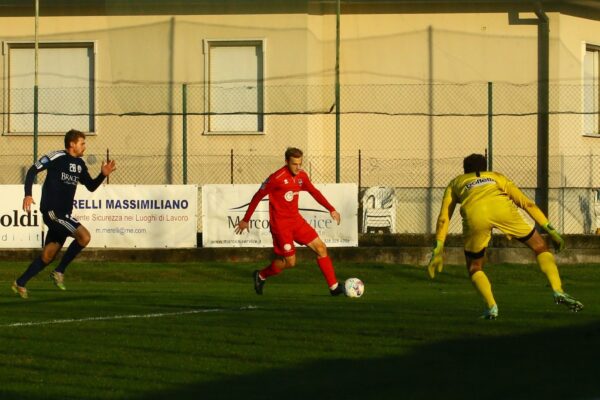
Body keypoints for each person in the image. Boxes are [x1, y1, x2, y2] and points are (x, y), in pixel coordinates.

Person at [427, 153, 583, 319]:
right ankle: (558, 290)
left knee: (474, 267)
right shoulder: (497, 177)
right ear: (485, 167)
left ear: (465, 170)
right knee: (540, 247)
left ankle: (491, 307)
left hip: (475, 216)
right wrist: (551, 230)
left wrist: (439, 247)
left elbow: (444, 218)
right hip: (503, 210)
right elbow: (526, 203)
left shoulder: (456, 182)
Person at [11, 129, 116, 299]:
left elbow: (90, 186)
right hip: (53, 212)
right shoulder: (56, 157)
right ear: (72, 144)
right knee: (85, 237)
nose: (84, 147)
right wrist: (28, 194)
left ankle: (20, 283)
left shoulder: (80, 165)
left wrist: (102, 175)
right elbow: (32, 171)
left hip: (63, 214)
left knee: (47, 256)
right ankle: (59, 271)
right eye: (82, 143)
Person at [234, 147, 346, 296]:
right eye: (294, 164)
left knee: (321, 248)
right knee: (290, 262)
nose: (298, 167)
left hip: (296, 221)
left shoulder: (302, 176)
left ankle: (334, 287)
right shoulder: (276, 178)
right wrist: (246, 219)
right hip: (280, 225)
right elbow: (258, 196)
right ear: (286, 161)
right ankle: (261, 275)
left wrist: (331, 209)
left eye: (300, 163)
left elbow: (314, 192)